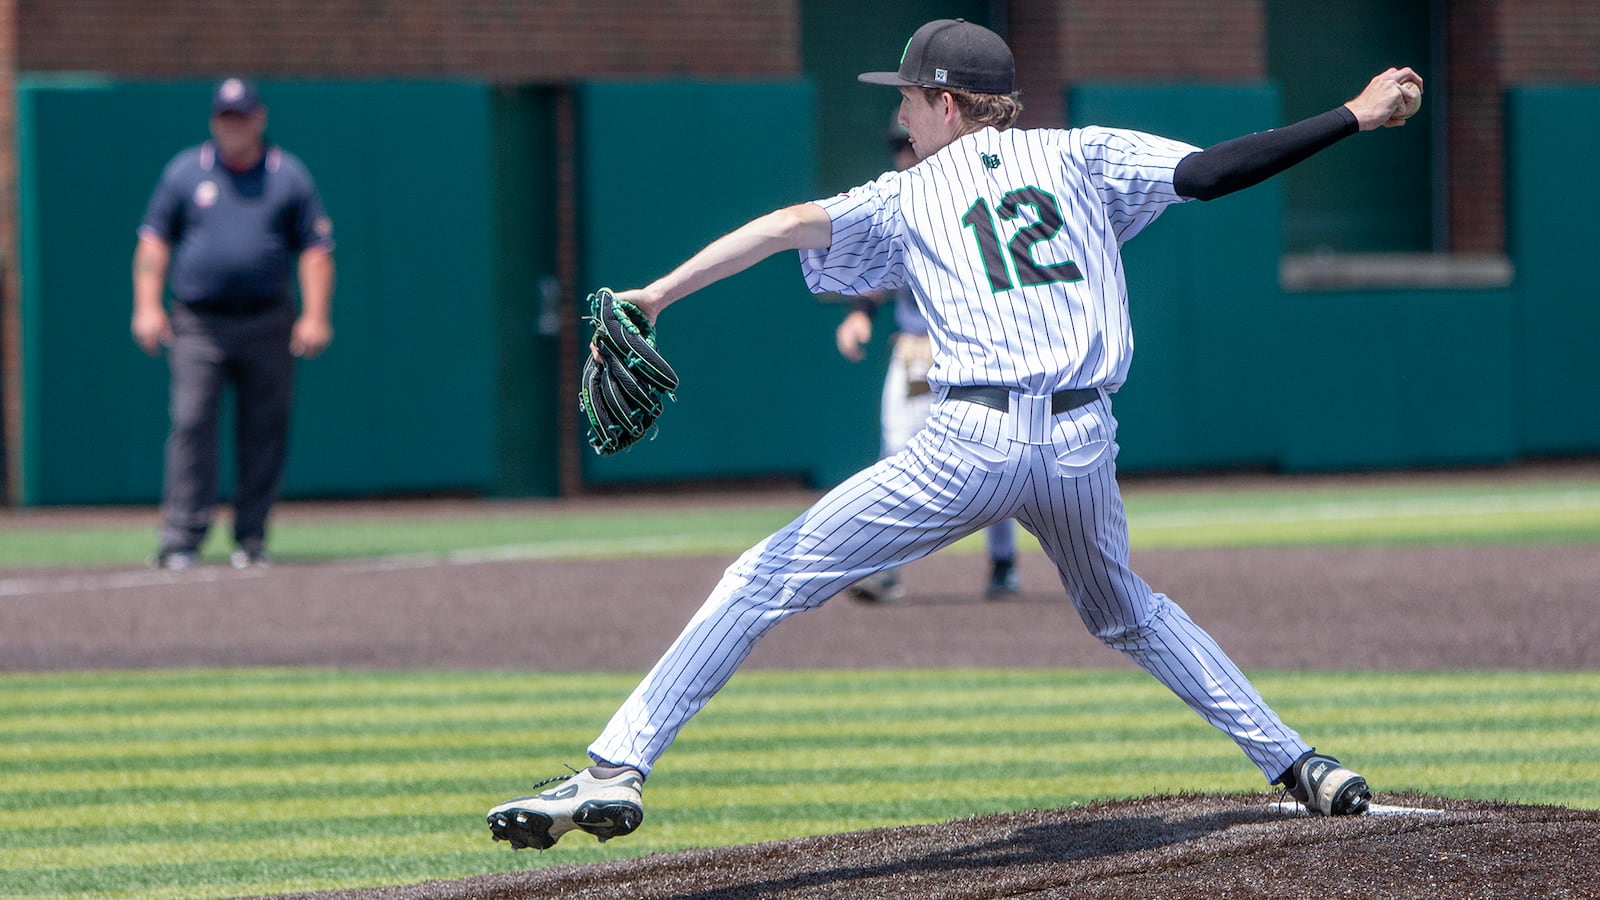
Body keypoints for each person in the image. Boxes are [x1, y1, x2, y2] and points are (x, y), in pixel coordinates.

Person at [489, 18, 1418, 850]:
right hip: (1083, 439)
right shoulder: (1081, 153)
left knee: (761, 578)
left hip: (968, 441)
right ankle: (1303, 766)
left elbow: (783, 228)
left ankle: (616, 768)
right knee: (1127, 610)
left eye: (907, 99)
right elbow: (1214, 173)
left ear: (942, 101)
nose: (903, 117)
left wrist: (657, 294)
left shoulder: (907, 193)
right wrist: (1354, 112)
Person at [132, 77, 335, 570]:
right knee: (191, 421)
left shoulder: (287, 176)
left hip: (267, 319)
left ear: (259, 119)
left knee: (265, 428)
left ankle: (251, 536)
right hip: (200, 322)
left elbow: (315, 248)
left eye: (241, 117)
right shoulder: (185, 172)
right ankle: (181, 536)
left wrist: (315, 314)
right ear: (213, 122)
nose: (233, 127)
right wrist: (147, 305)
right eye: (225, 118)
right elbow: (154, 240)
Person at [836, 114, 1021, 603]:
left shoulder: (963, 194)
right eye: (898, 147)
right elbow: (881, 268)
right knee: (895, 453)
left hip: (973, 351)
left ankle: (1003, 563)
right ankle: (884, 568)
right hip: (917, 351)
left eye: (907, 145)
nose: (902, 154)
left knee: (993, 458)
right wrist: (861, 314)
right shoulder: (902, 200)